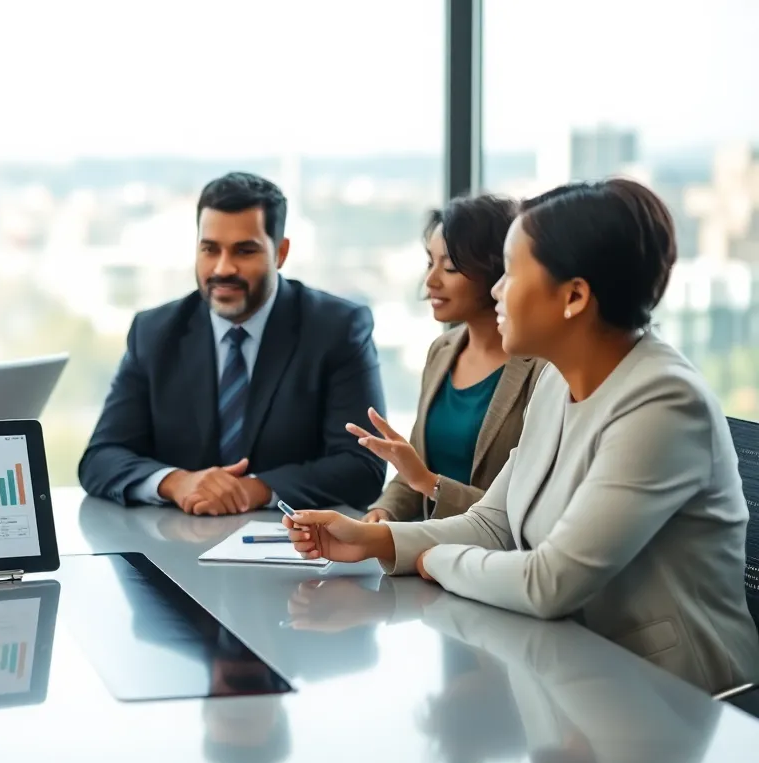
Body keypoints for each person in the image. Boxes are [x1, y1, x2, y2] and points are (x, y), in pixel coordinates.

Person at [283, 178, 759, 693]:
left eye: (510, 273)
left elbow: (549, 582)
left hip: (674, 698)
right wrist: (372, 539)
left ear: (574, 296)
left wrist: (433, 559)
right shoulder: (557, 377)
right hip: (572, 672)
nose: (494, 290)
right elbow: (493, 523)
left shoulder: (665, 402)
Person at [78, 172, 386, 513]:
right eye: (210, 250)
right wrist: (178, 482)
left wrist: (251, 490)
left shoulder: (337, 328)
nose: (223, 268)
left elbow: (362, 466)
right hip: (175, 542)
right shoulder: (154, 332)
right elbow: (100, 458)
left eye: (244, 250)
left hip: (292, 545)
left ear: (280, 253)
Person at [360, 194, 545, 523]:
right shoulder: (442, 351)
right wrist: (383, 511)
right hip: (429, 556)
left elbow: (526, 509)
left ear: (497, 269)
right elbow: (413, 470)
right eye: (430, 263)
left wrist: (430, 485)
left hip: (494, 560)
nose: (431, 281)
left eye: (450, 267)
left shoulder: (542, 368)